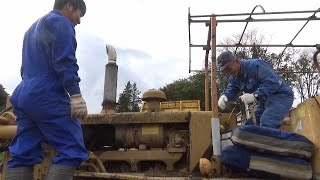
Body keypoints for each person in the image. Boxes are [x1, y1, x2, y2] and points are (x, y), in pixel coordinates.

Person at [6, 0, 88, 179]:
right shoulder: (61, 23)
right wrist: (75, 94)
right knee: (72, 149)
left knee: (22, 154)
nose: (79, 21)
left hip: (24, 94)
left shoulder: (31, 30)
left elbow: (24, 69)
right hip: (46, 94)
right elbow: (65, 61)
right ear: (68, 6)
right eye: (79, 15)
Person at [217, 51, 294, 129]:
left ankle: (293, 141)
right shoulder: (235, 77)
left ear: (236, 61)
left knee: (267, 122)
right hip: (264, 101)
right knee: (249, 127)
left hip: (280, 96)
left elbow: (273, 82)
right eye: (225, 71)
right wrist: (225, 96)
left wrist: (255, 96)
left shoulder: (256, 65)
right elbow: (231, 88)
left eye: (228, 68)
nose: (228, 73)